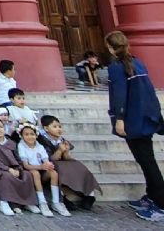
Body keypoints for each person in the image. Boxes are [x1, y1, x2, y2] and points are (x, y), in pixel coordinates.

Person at [105, 30, 164, 222]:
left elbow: (119, 94)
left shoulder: (116, 67)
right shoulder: (137, 62)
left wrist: (119, 118)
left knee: (147, 162)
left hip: (132, 120)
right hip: (145, 118)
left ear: (110, 48)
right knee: (146, 160)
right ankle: (152, 195)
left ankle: (161, 204)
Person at [37, 115, 100, 211]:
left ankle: (89, 195)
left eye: (59, 126)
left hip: (63, 162)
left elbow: (67, 158)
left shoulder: (61, 139)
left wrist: (65, 150)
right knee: (60, 169)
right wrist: (59, 150)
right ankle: (63, 198)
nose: (58, 129)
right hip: (49, 165)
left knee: (79, 167)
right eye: (55, 126)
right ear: (46, 128)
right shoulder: (42, 140)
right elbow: (50, 159)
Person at [0, 117, 38, 216]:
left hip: (15, 167)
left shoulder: (11, 143)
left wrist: (18, 169)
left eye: (1, 127)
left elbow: (17, 158)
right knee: (6, 176)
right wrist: (8, 169)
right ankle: (4, 202)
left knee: (27, 175)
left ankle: (26, 202)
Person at [16, 123, 65, 217]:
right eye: (26, 134)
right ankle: (42, 202)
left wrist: (48, 165)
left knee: (53, 173)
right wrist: (41, 167)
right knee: (35, 173)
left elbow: (46, 160)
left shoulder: (40, 146)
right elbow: (26, 165)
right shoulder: (21, 146)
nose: (30, 137)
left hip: (41, 170)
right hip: (30, 171)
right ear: (21, 136)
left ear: (36, 135)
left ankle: (56, 202)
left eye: (32, 134)